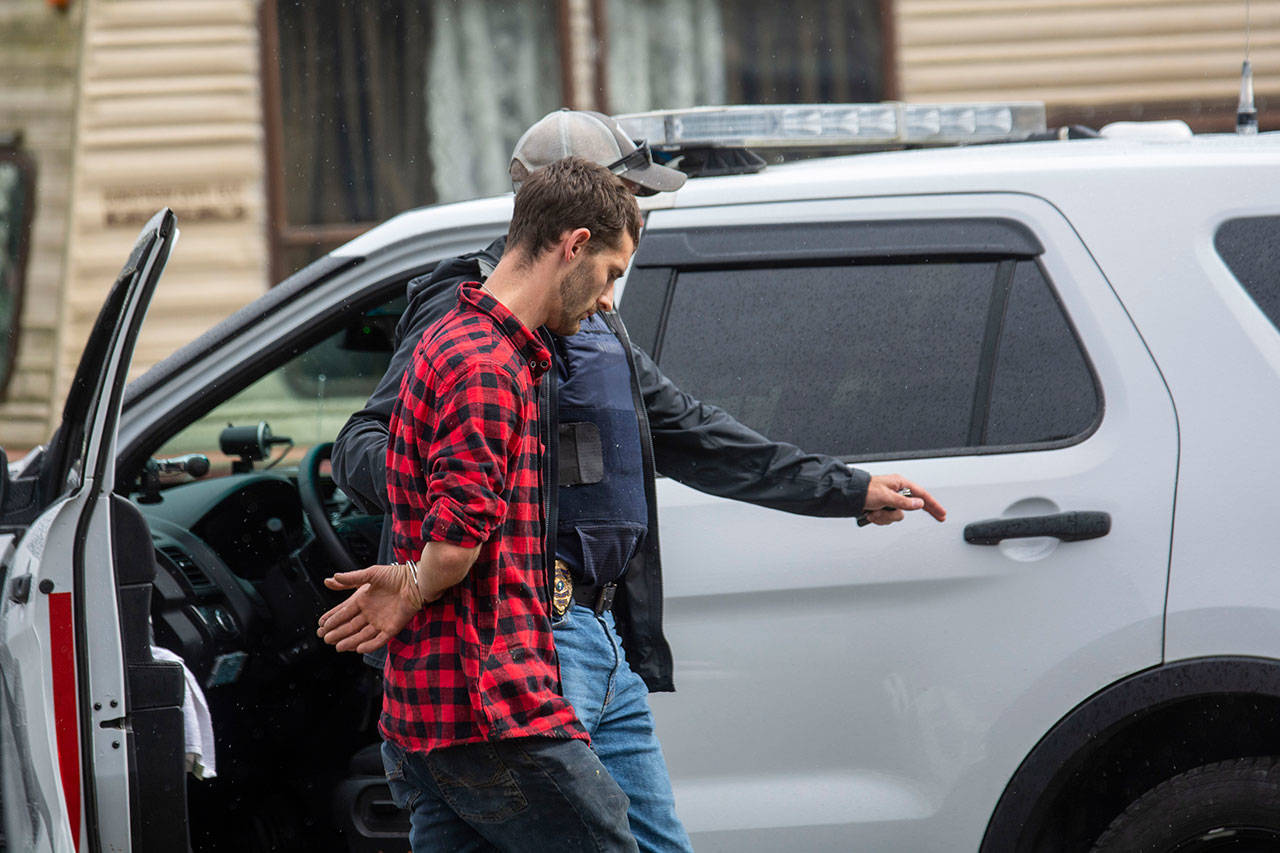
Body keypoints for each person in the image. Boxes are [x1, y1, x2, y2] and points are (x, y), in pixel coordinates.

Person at [325, 109, 947, 852]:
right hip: (527, 635)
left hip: (599, 631)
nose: (633, 224)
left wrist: (844, 489)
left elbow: (684, 428)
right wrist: (451, 528)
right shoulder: (471, 319)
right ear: (573, 215)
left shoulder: (586, 316)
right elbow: (370, 442)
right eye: (623, 200)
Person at [317, 156, 644, 852]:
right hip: (492, 710)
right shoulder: (489, 367)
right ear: (574, 244)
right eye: (612, 274)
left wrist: (412, 582)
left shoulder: (449, 339)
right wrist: (412, 581)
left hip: (424, 716)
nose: (610, 300)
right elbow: (457, 544)